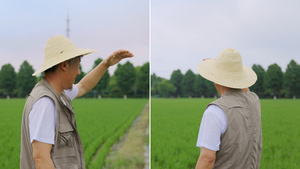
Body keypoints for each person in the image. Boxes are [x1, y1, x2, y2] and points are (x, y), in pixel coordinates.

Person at [20, 35, 133, 169]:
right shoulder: (45, 102)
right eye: (78, 65)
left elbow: (83, 87)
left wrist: (106, 64)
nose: (79, 72)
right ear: (65, 65)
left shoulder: (58, 93)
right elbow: (40, 158)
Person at [195, 48, 262, 169]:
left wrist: (217, 66)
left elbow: (207, 159)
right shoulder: (255, 101)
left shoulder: (215, 111)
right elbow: (246, 92)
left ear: (215, 77)